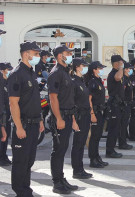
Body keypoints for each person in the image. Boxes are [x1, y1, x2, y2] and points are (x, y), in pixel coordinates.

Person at [7, 41, 45, 196]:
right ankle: (20, 191)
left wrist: (40, 119)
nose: (37, 56)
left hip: (34, 123)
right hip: (23, 124)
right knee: (20, 161)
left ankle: (26, 188)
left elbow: (35, 100)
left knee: (29, 160)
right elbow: (13, 103)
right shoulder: (17, 74)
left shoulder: (31, 72)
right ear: (26, 54)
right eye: (35, 54)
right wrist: (19, 127)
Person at [48, 45, 79, 194]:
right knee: (58, 150)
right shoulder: (56, 73)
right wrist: (59, 118)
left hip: (68, 115)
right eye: (68, 53)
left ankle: (61, 178)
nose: (70, 55)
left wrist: (72, 119)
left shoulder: (65, 72)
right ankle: (57, 182)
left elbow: (69, 98)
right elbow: (53, 98)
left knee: (63, 149)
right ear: (60, 56)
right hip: (60, 117)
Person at [70, 58, 93, 179]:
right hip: (79, 116)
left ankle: (80, 168)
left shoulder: (81, 80)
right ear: (77, 67)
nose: (85, 68)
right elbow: (71, 102)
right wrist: (73, 120)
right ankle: (77, 170)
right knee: (78, 144)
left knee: (81, 143)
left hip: (85, 115)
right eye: (83, 66)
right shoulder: (73, 82)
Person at [85, 61, 109, 168]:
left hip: (100, 111)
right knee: (94, 137)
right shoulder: (92, 82)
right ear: (94, 69)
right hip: (94, 112)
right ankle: (92, 159)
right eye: (99, 68)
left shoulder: (98, 80)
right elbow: (89, 99)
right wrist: (92, 114)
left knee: (98, 136)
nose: (101, 70)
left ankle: (97, 157)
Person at [106, 55, 126, 158]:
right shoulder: (113, 73)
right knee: (113, 129)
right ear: (116, 63)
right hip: (114, 105)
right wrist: (121, 68)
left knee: (117, 128)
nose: (122, 64)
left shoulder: (118, 72)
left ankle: (112, 149)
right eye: (121, 63)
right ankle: (109, 151)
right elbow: (118, 78)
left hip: (118, 105)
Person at [118, 62, 134, 150]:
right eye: (129, 69)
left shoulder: (128, 78)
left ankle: (124, 141)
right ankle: (122, 143)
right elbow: (122, 92)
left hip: (128, 103)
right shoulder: (123, 79)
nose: (130, 70)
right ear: (125, 69)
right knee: (123, 124)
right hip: (124, 104)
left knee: (125, 123)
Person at [0, 62, 13, 166]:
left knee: (6, 138)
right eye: (7, 70)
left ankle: (4, 156)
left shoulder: (6, 83)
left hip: (7, 116)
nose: (8, 72)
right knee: (2, 138)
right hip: (2, 116)